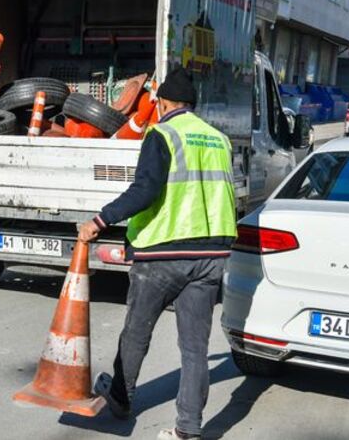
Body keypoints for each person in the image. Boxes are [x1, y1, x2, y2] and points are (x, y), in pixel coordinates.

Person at [78, 67, 237, 440]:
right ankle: (188, 429)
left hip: (163, 251)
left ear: (163, 103)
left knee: (136, 331)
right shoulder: (219, 139)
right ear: (193, 105)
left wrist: (100, 221)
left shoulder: (162, 134)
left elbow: (145, 191)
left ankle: (120, 398)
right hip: (212, 254)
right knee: (195, 348)